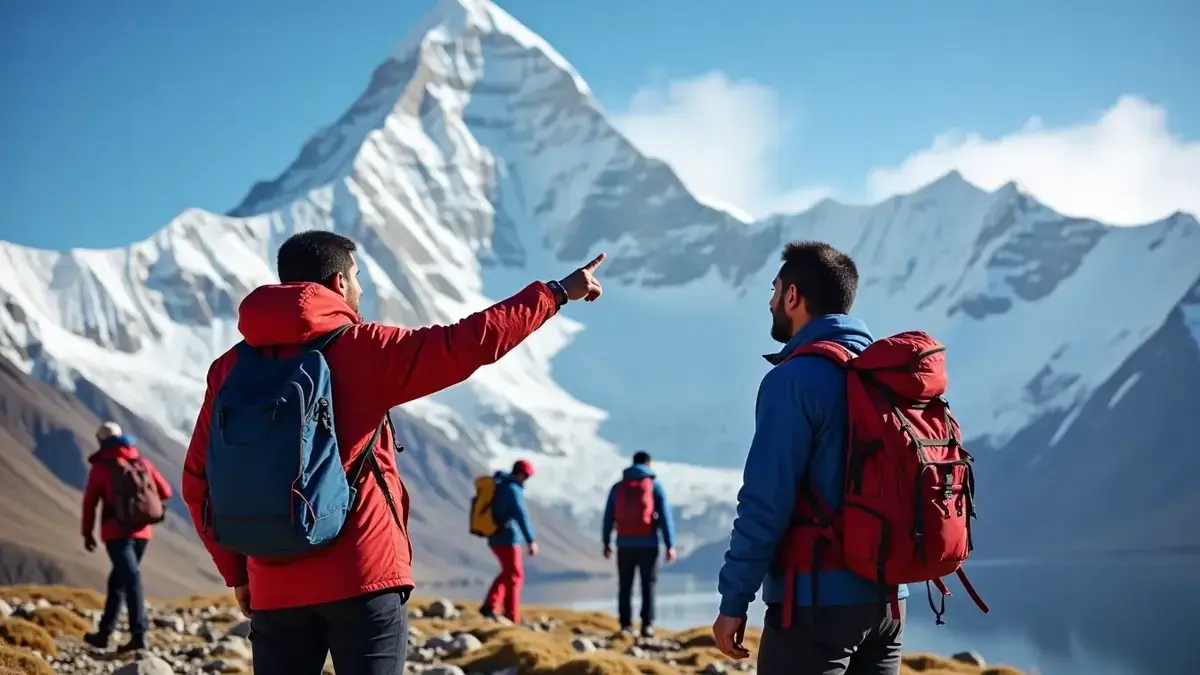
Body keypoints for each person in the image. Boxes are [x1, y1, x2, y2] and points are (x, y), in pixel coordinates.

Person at [181, 230, 607, 675]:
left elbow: (198, 481)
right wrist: (556, 293)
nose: (361, 289)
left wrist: (240, 573)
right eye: (358, 277)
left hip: (272, 583)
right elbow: (467, 343)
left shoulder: (229, 368)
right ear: (339, 283)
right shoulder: (364, 348)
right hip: (363, 576)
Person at [712, 241, 908, 674]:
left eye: (775, 289)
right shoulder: (885, 376)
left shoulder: (794, 380)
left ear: (793, 296)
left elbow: (766, 501)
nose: (770, 302)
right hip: (888, 601)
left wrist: (734, 601)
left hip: (815, 603)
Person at [81, 422, 172, 652]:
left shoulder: (101, 468)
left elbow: (90, 503)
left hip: (115, 533)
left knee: (131, 579)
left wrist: (87, 533)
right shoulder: (142, 462)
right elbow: (166, 492)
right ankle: (104, 634)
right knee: (119, 581)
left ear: (101, 440)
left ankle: (138, 636)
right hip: (143, 533)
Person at [601, 451, 677, 637]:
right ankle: (647, 625)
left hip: (624, 544)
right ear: (648, 464)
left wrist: (606, 542)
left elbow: (608, 516)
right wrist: (670, 544)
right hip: (648, 544)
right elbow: (665, 517)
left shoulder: (618, 487)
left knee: (625, 585)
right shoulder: (654, 486)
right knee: (647, 585)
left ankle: (625, 625)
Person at [480, 459, 537, 623]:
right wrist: (530, 540)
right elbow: (521, 515)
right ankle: (511, 615)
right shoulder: (513, 490)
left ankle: (490, 606)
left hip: (494, 537)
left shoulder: (501, 485)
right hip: (507, 538)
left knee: (508, 572)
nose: (526, 480)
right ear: (519, 474)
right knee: (515, 575)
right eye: (526, 476)